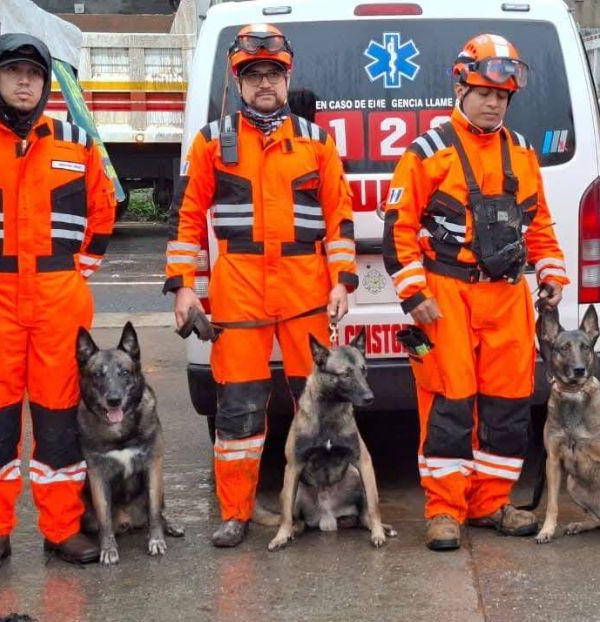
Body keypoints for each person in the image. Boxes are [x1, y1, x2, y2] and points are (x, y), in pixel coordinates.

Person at [164, 24, 356, 548]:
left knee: (321, 403)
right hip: (239, 291)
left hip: (305, 291)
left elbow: (339, 217)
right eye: (254, 75)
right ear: (239, 82)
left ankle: (323, 499)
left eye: (273, 73)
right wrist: (183, 287)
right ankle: (236, 512)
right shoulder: (211, 141)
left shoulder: (316, 141)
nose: (264, 83)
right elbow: (187, 218)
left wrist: (342, 281)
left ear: (287, 79)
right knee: (238, 408)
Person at [383, 34, 569, 550]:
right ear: (461, 89)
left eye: (502, 96)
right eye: (484, 93)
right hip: (447, 294)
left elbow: (539, 223)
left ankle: (490, 503)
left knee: (508, 404)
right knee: (449, 401)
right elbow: (398, 229)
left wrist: (552, 274)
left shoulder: (522, 152)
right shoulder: (428, 152)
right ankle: (444, 510)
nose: (493, 103)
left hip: (506, 295)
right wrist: (414, 294)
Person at [0, 34, 116, 570]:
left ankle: (62, 528)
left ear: (45, 85)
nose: (25, 81)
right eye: (13, 71)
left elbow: (104, 212)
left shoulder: (76, 143)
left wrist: (73, 273)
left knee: (59, 422)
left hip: (58, 303)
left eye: (34, 74)